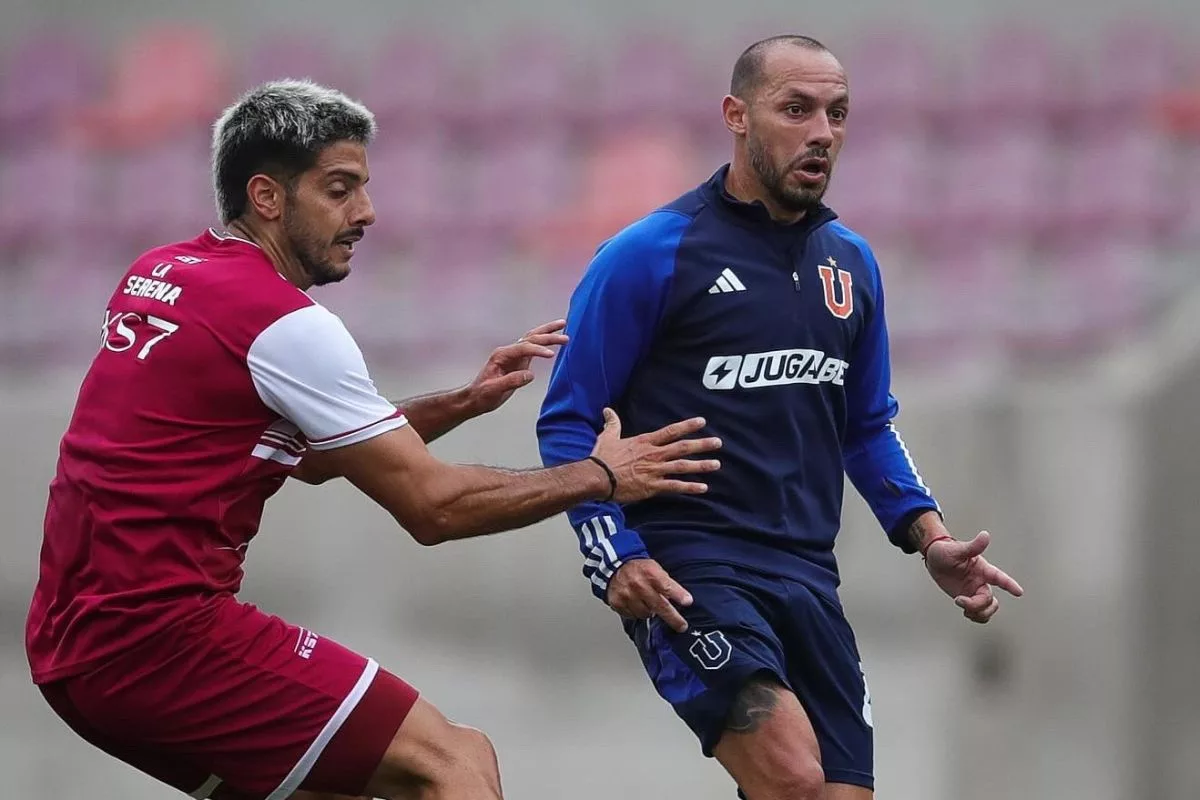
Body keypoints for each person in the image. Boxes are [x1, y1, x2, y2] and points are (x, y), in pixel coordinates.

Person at [25, 79, 722, 800]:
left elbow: (310, 458)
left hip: (71, 652)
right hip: (162, 642)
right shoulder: (281, 321)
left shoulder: (162, 272)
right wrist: (600, 475)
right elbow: (435, 509)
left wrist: (463, 401)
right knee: (453, 763)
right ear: (267, 197)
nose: (367, 212)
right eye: (339, 189)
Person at [536, 35, 1024, 800]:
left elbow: (866, 424)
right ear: (737, 115)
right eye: (796, 109)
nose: (822, 131)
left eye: (837, 113)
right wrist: (614, 554)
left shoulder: (852, 264)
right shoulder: (649, 255)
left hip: (806, 575)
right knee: (793, 777)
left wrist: (930, 537)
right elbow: (566, 425)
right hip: (689, 567)